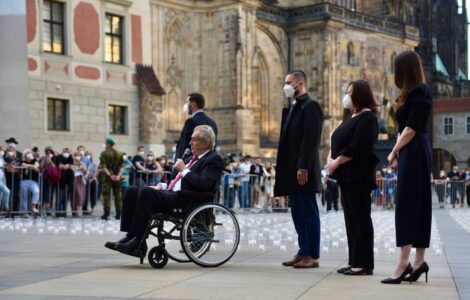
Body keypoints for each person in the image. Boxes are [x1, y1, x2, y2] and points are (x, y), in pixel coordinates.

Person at [104, 125, 224, 256]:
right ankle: (131, 236)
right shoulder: (191, 159)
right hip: (174, 195)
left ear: (205, 143)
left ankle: (137, 241)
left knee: (146, 193)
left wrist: (184, 170)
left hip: (187, 200)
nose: (190, 143)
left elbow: (203, 183)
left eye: (194, 140)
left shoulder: (213, 159)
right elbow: (177, 182)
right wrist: (162, 186)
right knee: (131, 191)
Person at [382, 50, 432, 284]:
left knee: (407, 204)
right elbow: (404, 131)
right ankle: (419, 261)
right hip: (411, 150)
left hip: (416, 149)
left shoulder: (420, 92)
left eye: (397, 69)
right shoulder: (411, 93)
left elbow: (411, 128)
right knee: (417, 203)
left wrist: (394, 151)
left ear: (406, 70)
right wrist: (397, 152)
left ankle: (404, 263)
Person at [325, 80, 379, 275]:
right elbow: (338, 139)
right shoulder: (351, 117)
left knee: (361, 218)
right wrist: (331, 156)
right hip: (346, 177)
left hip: (358, 175)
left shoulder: (368, 118)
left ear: (360, 95)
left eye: (350, 92)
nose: (346, 96)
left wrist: (336, 161)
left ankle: (364, 263)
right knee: (351, 220)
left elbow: (358, 146)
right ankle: (353, 259)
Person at [275, 70, 324, 268]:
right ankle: (303, 250)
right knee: (297, 212)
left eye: (289, 82)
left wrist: (303, 167)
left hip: (303, 170)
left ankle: (312, 254)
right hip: (291, 170)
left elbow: (310, 140)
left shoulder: (311, 106)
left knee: (308, 211)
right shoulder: (295, 106)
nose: (286, 85)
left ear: (300, 83)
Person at [175, 93, 218, 160]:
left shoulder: (191, 121)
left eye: (187, 102)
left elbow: (186, 147)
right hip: (208, 161)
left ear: (193, 104)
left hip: (192, 164)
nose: (186, 105)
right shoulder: (212, 122)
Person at [99, 138, 124, 220]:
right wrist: (119, 175)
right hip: (117, 176)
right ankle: (119, 214)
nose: (105, 144)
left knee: (106, 196)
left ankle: (106, 214)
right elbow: (122, 166)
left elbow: (103, 167)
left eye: (106, 143)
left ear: (109, 144)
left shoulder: (104, 153)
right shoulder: (119, 153)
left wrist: (110, 175)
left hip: (107, 177)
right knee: (118, 196)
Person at [20, 149, 41, 214]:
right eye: (27, 153)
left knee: (36, 191)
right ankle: (25, 212)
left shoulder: (35, 160)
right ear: (25, 155)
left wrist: (29, 166)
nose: (29, 154)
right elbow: (23, 165)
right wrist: (31, 166)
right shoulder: (22, 161)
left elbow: (36, 166)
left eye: (30, 153)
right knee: (24, 197)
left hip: (33, 181)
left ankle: (33, 207)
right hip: (24, 181)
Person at [57, 148, 74, 216]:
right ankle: (58, 211)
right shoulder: (59, 157)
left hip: (69, 179)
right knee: (60, 195)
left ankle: (64, 211)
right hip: (60, 179)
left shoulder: (70, 157)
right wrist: (66, 166)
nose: (66, 152)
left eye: (68, 151)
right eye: (65, 150)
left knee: (66, 196)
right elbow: (59, 166)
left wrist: (68, 166)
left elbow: (72, 165)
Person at [0, 146, 11, 212]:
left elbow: (4, 164)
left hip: (1, 178)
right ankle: (6, 207)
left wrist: (8, 165)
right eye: (1, 150)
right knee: (7, 191)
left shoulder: (1, 158)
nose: (2, 152)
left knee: (0, 195)